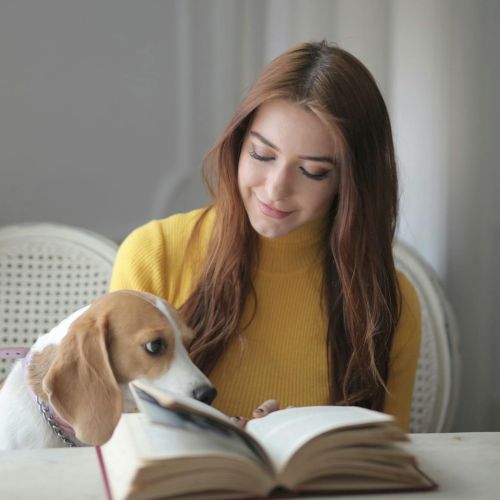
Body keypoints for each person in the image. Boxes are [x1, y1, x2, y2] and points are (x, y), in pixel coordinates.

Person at [110, 41, 421, 431]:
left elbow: (384, 458)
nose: (275, 189)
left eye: (312, 172)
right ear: (239, 144)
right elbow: (126, 436)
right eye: (262, 154)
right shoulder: (154, 254)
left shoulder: (391, 300)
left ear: (351, 183)